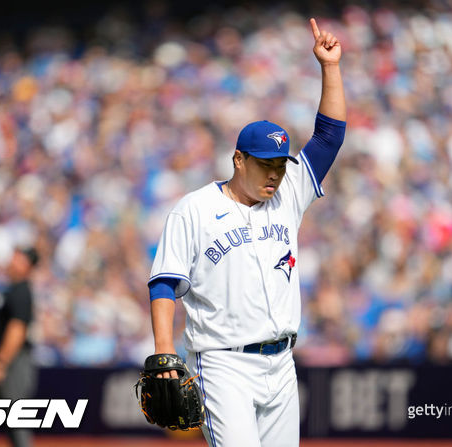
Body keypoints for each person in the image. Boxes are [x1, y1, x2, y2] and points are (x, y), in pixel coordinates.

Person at [148, 18, 346, 446]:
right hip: (222, 365)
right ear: (239, 160)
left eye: (279, 164)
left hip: (282, 363)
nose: (275, 174)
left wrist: (330, 68)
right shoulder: (195, 209)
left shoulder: (288, 192)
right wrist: (164, 351)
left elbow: (329, 138)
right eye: (265, 164)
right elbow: (164, 284)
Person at [0, 247, 39, 447]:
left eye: (19, 258)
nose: (13, 260)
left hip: (15, 361)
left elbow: (17, 329)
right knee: (12, 420)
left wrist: (0, 362)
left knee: (17, 419)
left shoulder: (22, 291)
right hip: (10, 360)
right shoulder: (10, 289)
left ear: (27, 265)